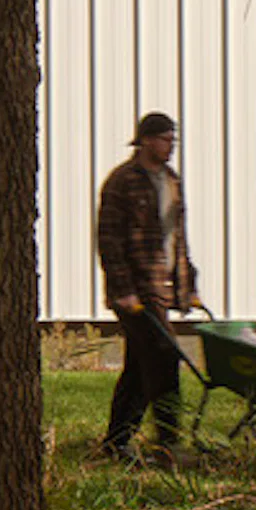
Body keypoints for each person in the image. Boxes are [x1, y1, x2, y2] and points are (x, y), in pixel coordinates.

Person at [95, 110, 202, 459]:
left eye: (174, 140)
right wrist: (123, 288)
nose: (171, 146)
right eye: (165, 139)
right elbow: (109, 239)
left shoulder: (171, 181)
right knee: (163, 357)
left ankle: (116, 442)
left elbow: (177, 239)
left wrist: (190, 284)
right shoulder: (122, 181)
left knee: (140, 367)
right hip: (136, 290)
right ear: (145, 140)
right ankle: (169, 442)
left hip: (165, 283)